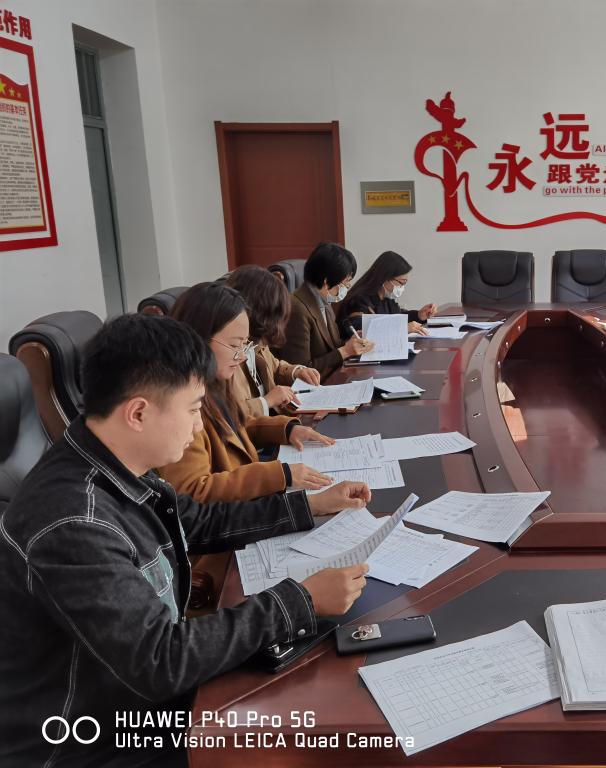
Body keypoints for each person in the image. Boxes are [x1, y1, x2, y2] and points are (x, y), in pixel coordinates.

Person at [0, 313, 371, 767]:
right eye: (194, 409)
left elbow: (195, 521)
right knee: (314, 738)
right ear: (138, 413)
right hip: (93, 742)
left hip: (133, 698)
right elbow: (160, 661)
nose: (199, 427)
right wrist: (300, 601)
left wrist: (308, 507)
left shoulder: (114, 460)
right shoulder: (74, 522)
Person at [159, 282, 336, 502]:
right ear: (199, 338)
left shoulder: (214, 381)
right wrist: (277, 475)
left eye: (244, 345)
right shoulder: (179, 401)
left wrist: (286, 429)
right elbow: (193, 492)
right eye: (235, 346)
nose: (242, 356)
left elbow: (235, 426)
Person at [227, 265, 319, 417]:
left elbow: (275, 366)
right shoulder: (229, 358)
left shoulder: (256, 344)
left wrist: (296, 371)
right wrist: (266, 401)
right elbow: (232, 415)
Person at [275, 242, 374, 379]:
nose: (348, 286)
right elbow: (300, 370)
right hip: (313, 385)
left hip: (332, 377)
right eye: (346, 281)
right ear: (327, 282)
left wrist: (351, 343)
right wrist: (345, 351)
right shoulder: (296, 309)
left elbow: (331, 347)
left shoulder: (323, 301)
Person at [340, 250, 437, 336]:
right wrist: (400, 328)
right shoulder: (359, 299)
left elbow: (397, 317)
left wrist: (419, 315)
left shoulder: (386, 298)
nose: (402, 287)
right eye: (401, 283)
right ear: (385, 278)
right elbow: (358, 327)